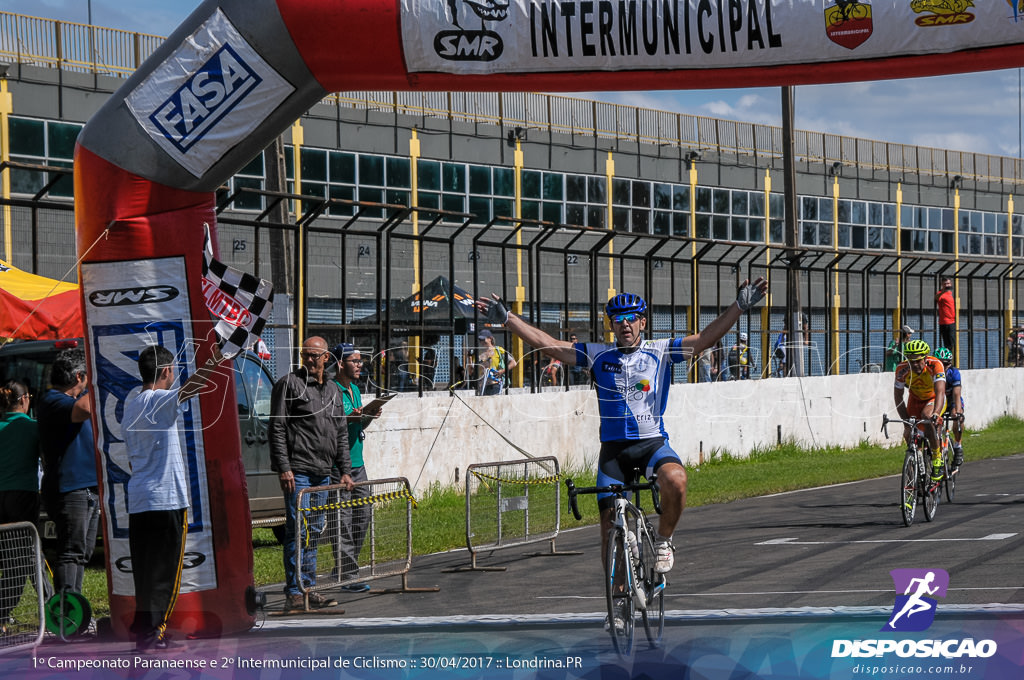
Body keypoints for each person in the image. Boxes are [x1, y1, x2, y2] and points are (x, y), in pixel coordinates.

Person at [477, 278, 767, 632]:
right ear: (610, 325)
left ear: (643, 322)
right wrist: (508, 318)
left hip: (651, 444)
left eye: (631, 319)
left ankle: (663, 541)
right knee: (609, 530)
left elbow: (705, 339)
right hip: (613, 451)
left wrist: (738, 307)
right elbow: (550, 345)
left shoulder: (662, 351)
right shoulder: (598, 354)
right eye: (618, 320)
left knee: (676, 479)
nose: (625, 325)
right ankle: (619, 605)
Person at [121, 344, 220, 652]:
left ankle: (143, 627)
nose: (175, 376)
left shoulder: (131, 403)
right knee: (165, 574)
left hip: (140, 499)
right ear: (166, 372)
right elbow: (189, 389)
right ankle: (153, 633)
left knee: (146, 570)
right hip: (165, 499)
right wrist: (213, 361)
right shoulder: (157, 401)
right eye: (173, 370)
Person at [269, 336, 353, 612]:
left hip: (323, 472)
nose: (308, 359)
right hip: (299, 471)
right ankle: (294, 591)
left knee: (315, 531)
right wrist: (284, 467)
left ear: (326, 358)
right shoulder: (289, 384)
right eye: (304, 354)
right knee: (297, 530)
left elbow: (340, 433)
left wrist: (345, 471)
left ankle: (308, 586)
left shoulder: (333, 391)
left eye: (314, 356)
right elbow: (277, 428)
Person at [36, 347, 99, 596]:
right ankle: (66, 612)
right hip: (70, 489)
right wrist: (98, 379)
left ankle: (75, 609)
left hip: (86, 488)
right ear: (79, 377)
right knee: (72, 551)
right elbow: (83, 410)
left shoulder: (71, 400)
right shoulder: (54, 401)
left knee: (82, 552)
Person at [330, 343, 383, 593]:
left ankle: (343, 566)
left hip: (358, 462)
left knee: (363, 515)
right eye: (354, 360)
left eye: (361, 360)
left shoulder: (354, 389)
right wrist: (357, 415)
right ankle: (348, 574)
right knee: (342, 520)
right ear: (341, 363)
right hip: (339, 464)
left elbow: (356, 426)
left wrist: (370, 415)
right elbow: (338, 422)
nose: (359, 365)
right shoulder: (332, 390)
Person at [0, 380, 41, 632]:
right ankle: (55, 609)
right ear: (25, 399)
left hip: (1, 497)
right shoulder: (33, 427)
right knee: (25, 558)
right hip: (23, 496)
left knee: (18, 558)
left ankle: (52, 606)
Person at [893, 340, 946, 481]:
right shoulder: (901, 369)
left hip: (934, 398)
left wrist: (936, 413)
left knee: (926, 416)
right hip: (915, 399)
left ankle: (937, 457)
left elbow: (940, 391)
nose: (914, 365)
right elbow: (898, 397)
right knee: (909, 434)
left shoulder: (935, 365)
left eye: (917, 361)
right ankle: (917, 472)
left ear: (925, 357)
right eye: (911, 361)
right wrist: (906, 423)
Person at [933, 346, 965, 467]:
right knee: (936, 422)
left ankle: (958, 445)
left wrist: (958, 411)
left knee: (957, 416)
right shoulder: (931, 372)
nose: (943, 367)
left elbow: (957, 394)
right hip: (938, 400)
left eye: (946, 364)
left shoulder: (954, 373)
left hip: (951, 399)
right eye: (940, 363)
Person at [476, 329, 517, 396]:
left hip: (495, 384)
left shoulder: (498, 350)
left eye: (483, 339)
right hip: (483, 385)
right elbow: (474, 369)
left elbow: (513, 363)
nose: (482, 342)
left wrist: (502, 371)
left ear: (490, 339)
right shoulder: (481, 354)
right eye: (480, 340)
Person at [935, 276, 956, 352]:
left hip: (952, 321)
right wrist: (943, 291)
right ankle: (946, 360)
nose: (947, 285)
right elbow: (936, 298)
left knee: (952, 343)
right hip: (945, 322)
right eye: (945, 284)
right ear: (942, 284)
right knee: (947, 343)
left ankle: (950, 360)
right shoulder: (941, 293)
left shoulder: (950, 293)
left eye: (948, 283)